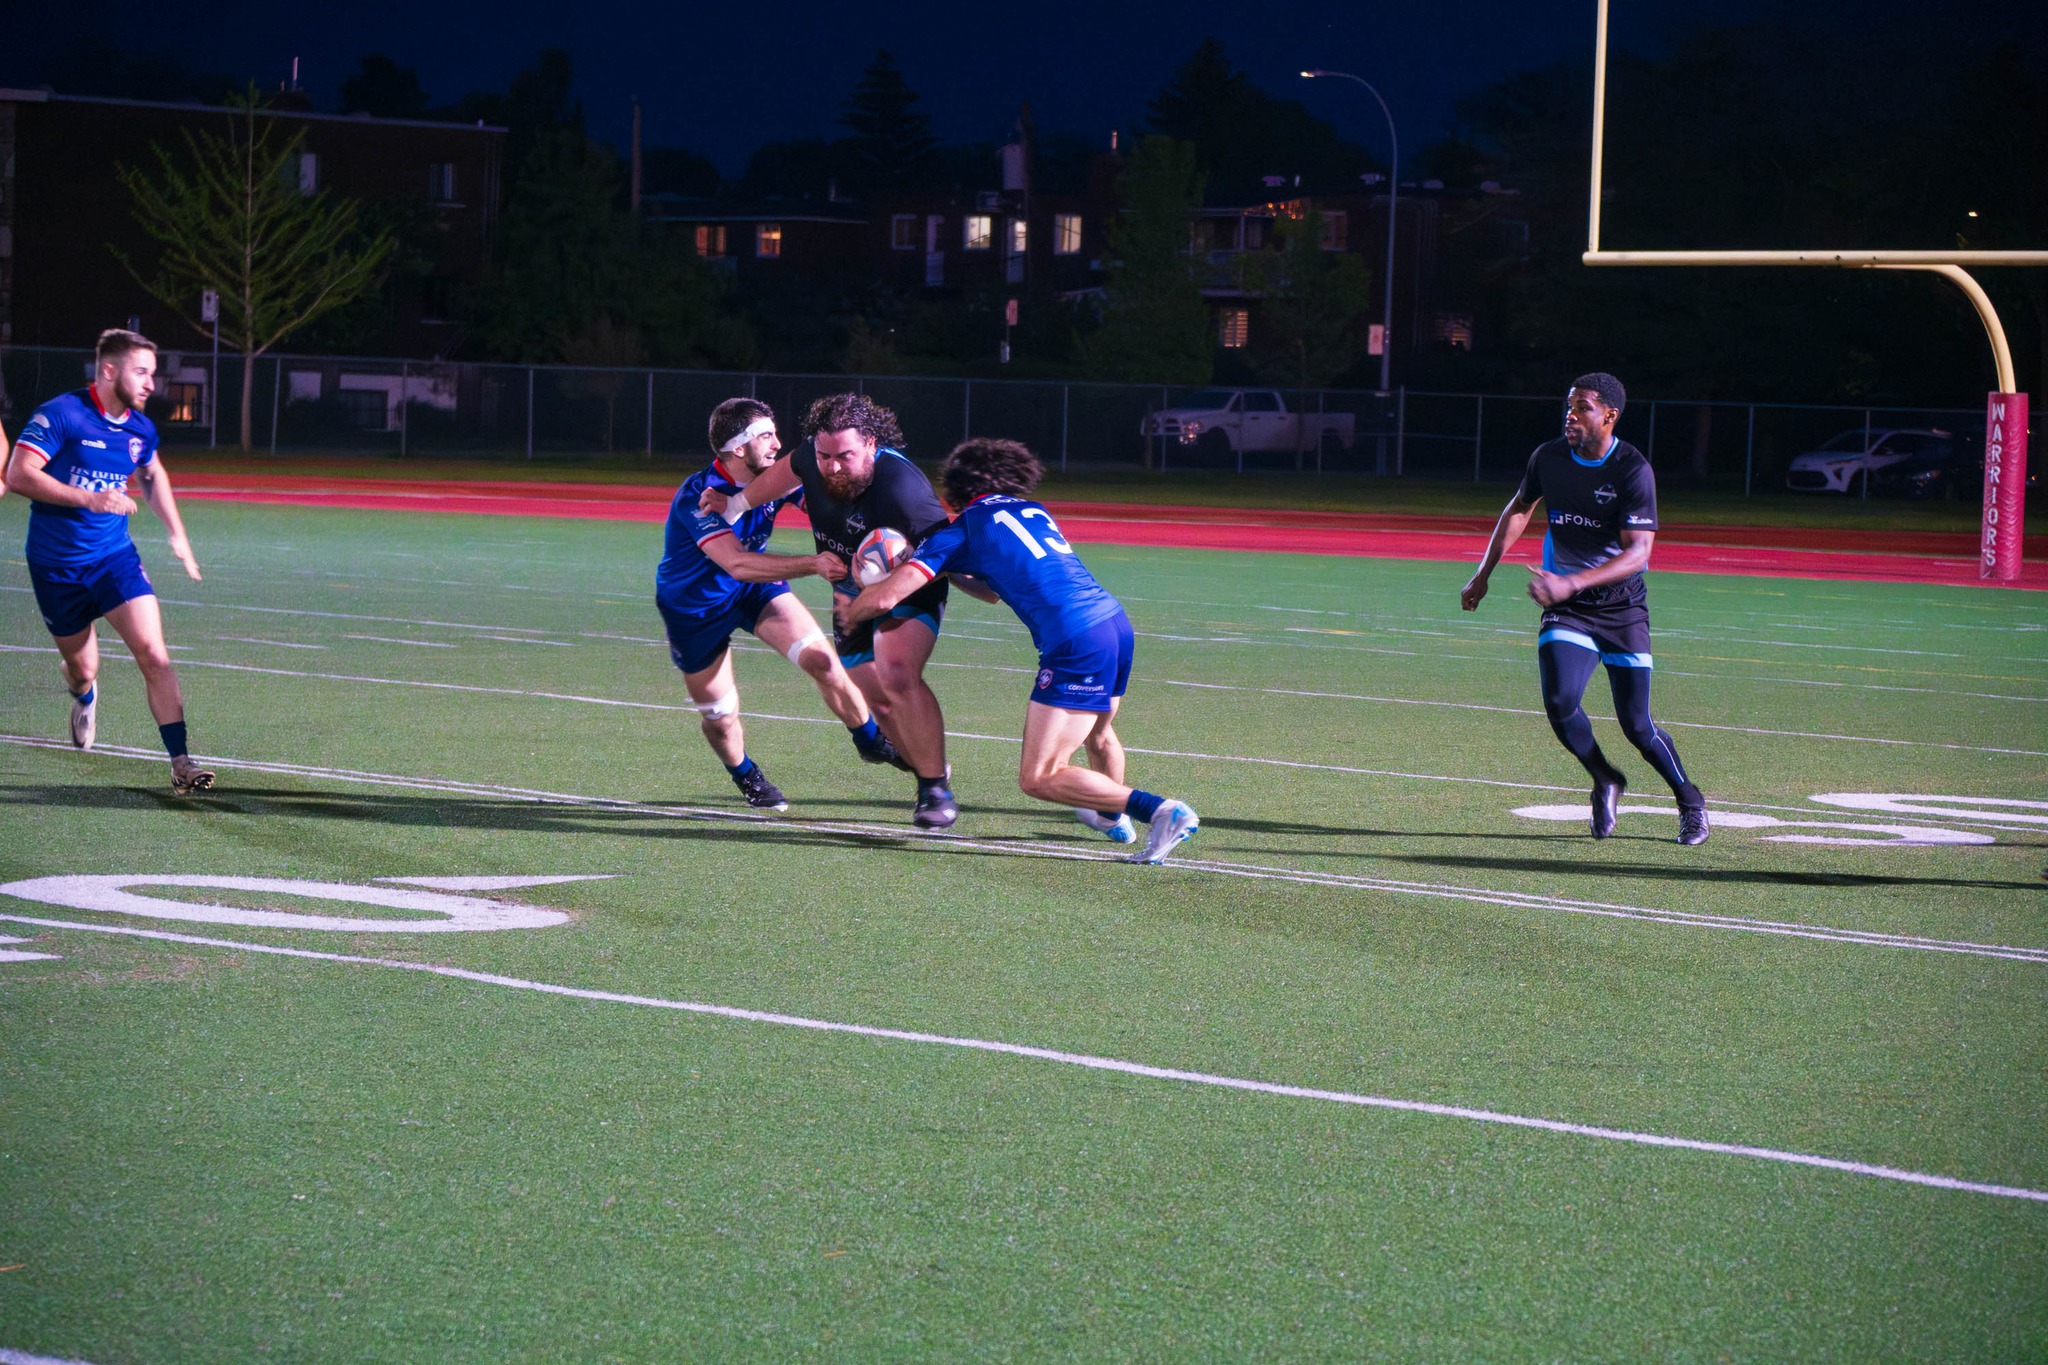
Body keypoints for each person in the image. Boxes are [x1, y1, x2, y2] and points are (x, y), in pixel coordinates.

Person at [838, 438, 1200, 865]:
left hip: (1075, 641)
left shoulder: (961, 530)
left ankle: (1161, 810)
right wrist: (947, 569)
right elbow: (992, 590)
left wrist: (852, 612)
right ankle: (1109, 816)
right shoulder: (1032, 510)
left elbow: (885, 598)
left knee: (1039, 776)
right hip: (1113, 625)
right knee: (1099, 734)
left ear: (954, 489)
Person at [1461, 372, 1708, 845]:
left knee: (1637, 726)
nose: (1570, 415)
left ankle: (1690, 802)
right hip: (1568, 608)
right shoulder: (1549, 457)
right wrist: (1483, 573)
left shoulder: (1632, 469)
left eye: (1582, 408)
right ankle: (1605, 777)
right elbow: (1519, 508)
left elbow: (1638, 554)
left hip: (1622, 608)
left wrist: (1571, 581)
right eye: (1569, 406)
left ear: (1609, 415)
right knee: (1559, 701)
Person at [701, 393, 959, 830]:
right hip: (848, 590)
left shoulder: (904, 490)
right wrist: (737, 504)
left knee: (897, 673)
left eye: (845, 456)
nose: (833, 467)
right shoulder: (811, 456)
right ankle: (924, 765)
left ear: (871, 444)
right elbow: (785, 472)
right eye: (825, 456)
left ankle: (934, 789)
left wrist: (896, 580)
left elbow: (945, 551)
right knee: (876, 700)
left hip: (908, 588)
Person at [659, 397, 906, 810]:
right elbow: (737, 563)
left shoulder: (772, 478)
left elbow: (826, 503)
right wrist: (813, 563)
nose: (778, 444)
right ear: (739, 449)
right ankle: (744, 773)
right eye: (767, 436)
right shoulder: (699, 495)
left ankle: (870, 740)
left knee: (824, 662)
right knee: (721, 716)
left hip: (753, 591)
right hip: (696, 607)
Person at [7, 328, 213, 795]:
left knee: (154, 654)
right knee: (83, 668)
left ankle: (181, 762)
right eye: (141, 372)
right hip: (56, 566)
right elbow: (18, 474)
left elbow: (152, 473)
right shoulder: (62, 414)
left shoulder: (140, 428)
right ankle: (83, 693)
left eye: (152, 374)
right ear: (108, 370)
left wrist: (177, 533)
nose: (151, 384)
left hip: (113, 559)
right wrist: (89, 498)